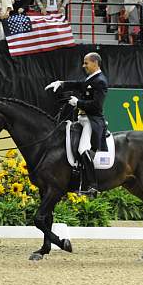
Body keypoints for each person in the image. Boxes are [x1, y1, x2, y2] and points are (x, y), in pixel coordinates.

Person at [44, 52, 108, 195]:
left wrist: (78, 102)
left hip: (91, 121)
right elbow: (79, 85)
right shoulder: (91, 79)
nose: (83, 65)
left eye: (86, 63)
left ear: (95, 63)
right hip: (81, 119)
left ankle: (92, 185)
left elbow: (97, 106)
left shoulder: (101, 81)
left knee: (82, 149)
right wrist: (61, 83)